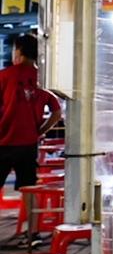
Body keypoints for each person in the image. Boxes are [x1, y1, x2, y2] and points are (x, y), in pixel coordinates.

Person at [0, 35, 63, 192]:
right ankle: (32, 218)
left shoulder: (5, 75)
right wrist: (39, 131)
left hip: (3, 141)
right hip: (28, 144)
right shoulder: (43, 79)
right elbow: (56, 112)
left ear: (19, 51)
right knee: (28, 189)